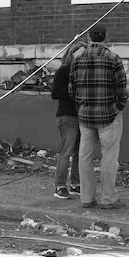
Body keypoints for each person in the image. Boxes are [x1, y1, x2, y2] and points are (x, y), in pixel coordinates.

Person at [69, 24, 128, 209]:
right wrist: (119, 106)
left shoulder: (77, 60)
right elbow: (122, 88)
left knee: (84, 156)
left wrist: (80, 105)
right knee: (109, 157)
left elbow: (72, 89)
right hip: (108, 115)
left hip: (85, 116)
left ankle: (86, 198)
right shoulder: (113, 59)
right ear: (105, 38)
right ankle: (108, 198)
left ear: (89, 37)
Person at [48, 43, 84, 199]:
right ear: (72, 54)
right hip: (67, 116)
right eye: (80, 53)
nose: (82, 57)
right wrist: (72, 90)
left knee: (80, 152)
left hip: (82, 116)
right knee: (66, 151)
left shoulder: (84, 72)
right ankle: (60, 186)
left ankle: (76, 183)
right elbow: (55, 93)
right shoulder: (64, 70)